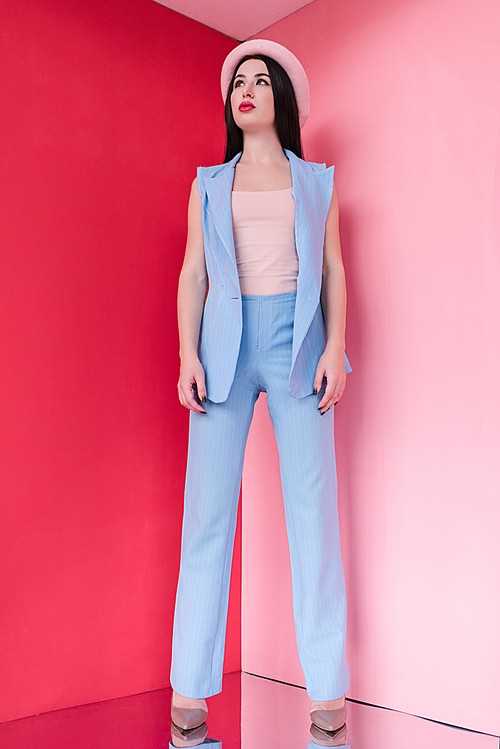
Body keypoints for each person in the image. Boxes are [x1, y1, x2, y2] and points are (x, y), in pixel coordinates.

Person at [170, 39, 352, 748]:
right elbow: (194, 274)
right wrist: (187, 352)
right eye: (237, 81)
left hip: (298, 344)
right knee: (206, 517)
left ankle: (328, 696)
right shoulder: (209, 183)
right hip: (222, 347)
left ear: (282, 96)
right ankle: (189, 694)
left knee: (314, 514)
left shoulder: (319, 182)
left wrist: (336, 347)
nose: (245, 89)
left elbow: (333, 267)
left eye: (259, 80)